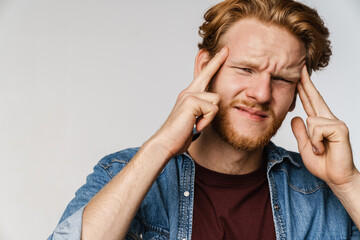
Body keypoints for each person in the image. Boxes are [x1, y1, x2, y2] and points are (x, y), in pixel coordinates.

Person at [48, 0, 360, 239]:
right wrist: (159, 149)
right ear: (204, 67)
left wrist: (348, 183)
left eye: (281, 78)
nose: (262, 93)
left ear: (296, 93)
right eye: (246, 69)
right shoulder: (122, 173)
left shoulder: (322, 193)